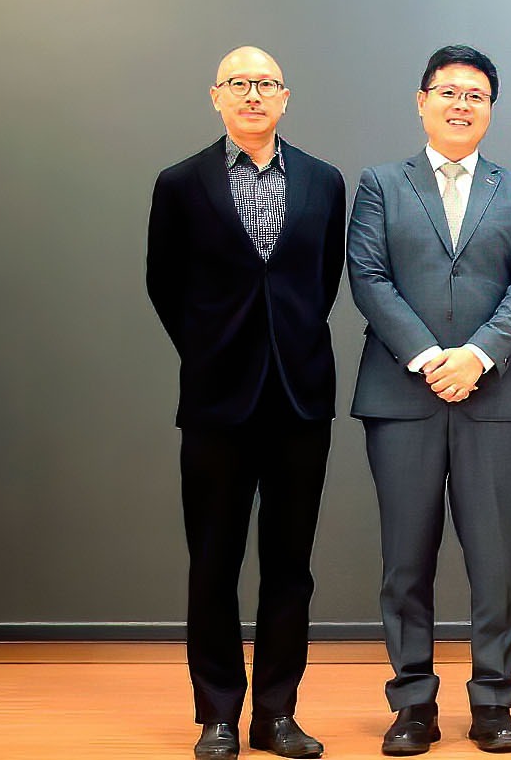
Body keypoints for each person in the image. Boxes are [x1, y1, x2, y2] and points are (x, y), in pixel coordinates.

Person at [146, 46, 346, 760]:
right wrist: (211, 349)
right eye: (239, 83)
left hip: (300, 397)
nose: (252, 94)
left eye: (265, 84)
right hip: (215, 399)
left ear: (285, 97)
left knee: (290, 566)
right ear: (216, 96)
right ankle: (219, 715)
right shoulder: (180, 183)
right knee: (213, 562)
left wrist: (287, 340)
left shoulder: (323, 181)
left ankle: (276, 714)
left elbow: (323, 279)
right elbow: (163, 282)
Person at [347, 45, 511, 756]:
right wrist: (432, 358)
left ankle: (494, 701)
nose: (462, 104)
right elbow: (368, 276)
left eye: (476, 95)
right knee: (405, 559)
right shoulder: (381, 184)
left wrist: (477, 356)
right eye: (449, 92)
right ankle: (413, 705)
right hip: (404, 393)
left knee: (495, 560)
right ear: (422, 101)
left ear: (490, 109)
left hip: (494, 394)